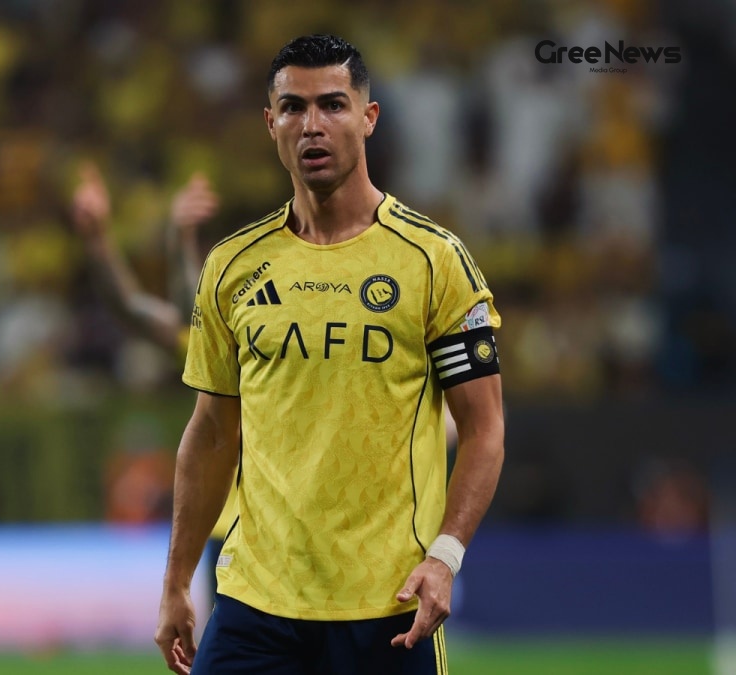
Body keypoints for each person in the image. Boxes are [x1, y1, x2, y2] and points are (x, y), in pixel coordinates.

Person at [154, 34, 505, 675]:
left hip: (389, 605)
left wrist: (446, 557)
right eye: (292, 108)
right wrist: (177, 581)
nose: (312, 125)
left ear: (368, 118)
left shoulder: (433, 262)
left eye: (333, 105)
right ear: (270, 124)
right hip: (254, 604)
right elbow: (209, 434)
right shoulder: (232, 268)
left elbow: (484, 429)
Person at [70, 161, 238, 606]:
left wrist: (179, 239)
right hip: (231, 533)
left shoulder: (285, 337)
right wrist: (97, 239)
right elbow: (131, 306)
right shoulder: (222, 348)